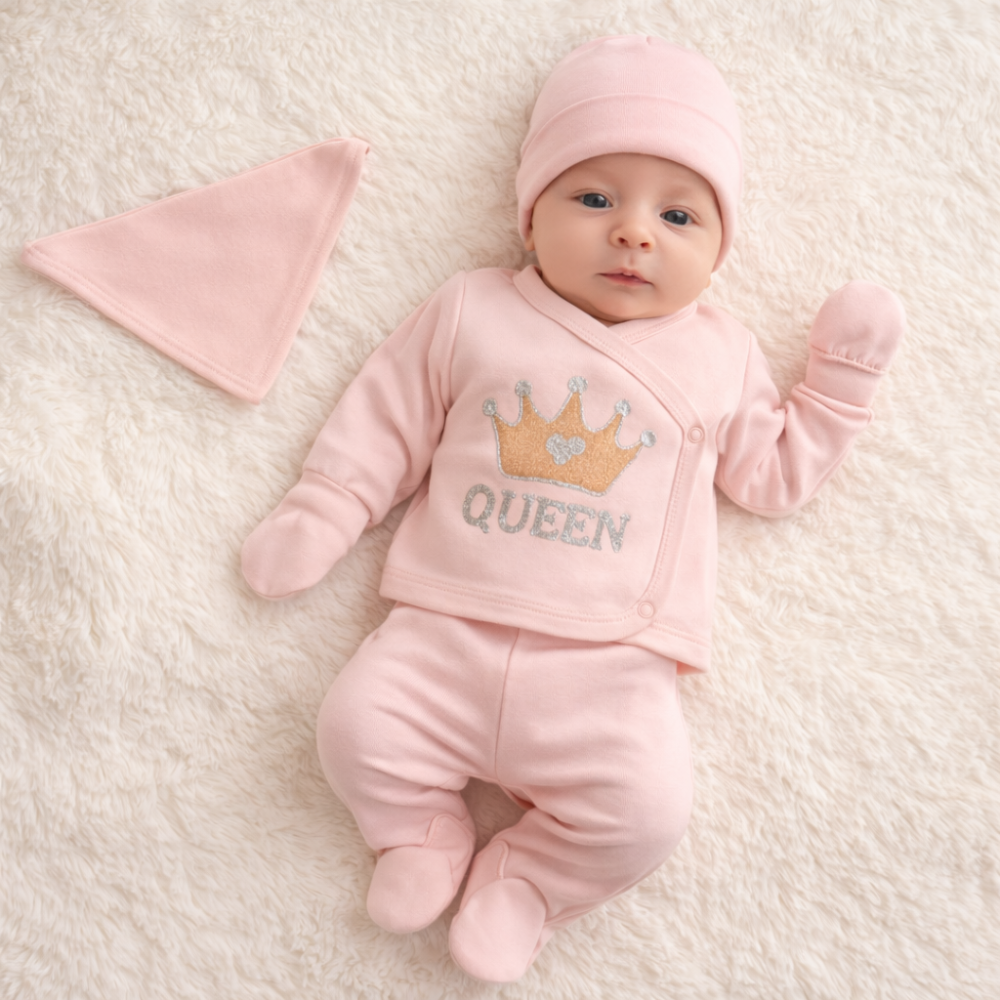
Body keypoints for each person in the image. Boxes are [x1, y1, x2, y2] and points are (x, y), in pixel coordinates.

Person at [241, 35, 905, 982]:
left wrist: (837, 389)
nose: (633, 233)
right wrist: (328, 503)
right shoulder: (472, 309)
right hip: (443, 634)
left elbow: (770, 477)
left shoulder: (719, 352)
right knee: (355, 731)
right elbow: (387, 416)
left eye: (678, 214)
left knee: (645, 815)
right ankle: (418, 831)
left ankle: (531, 880)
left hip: (611, 670)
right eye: (594, 199)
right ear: (530, 215)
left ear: (719, 250)